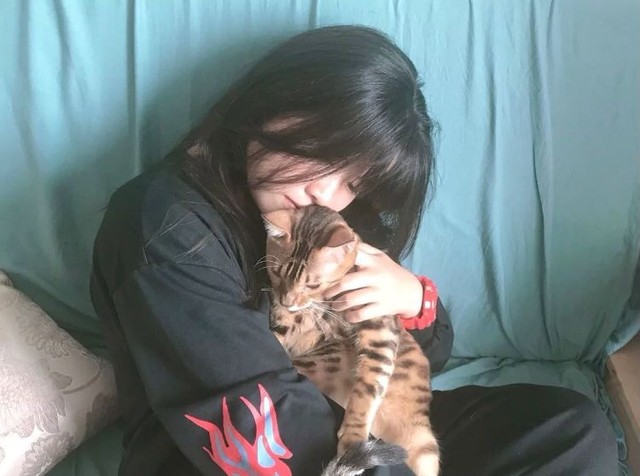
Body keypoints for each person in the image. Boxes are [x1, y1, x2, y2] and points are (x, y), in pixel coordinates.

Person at [90, 26, 618, 476]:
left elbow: (419, 359)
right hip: (243, 451)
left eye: (354, 182)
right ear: (277, 99)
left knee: (571, 429)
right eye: (323, 150)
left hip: (350, 416)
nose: (326, 191)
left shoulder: (323, 219)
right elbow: (259, 428)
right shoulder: (165, 225)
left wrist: (413, 300)